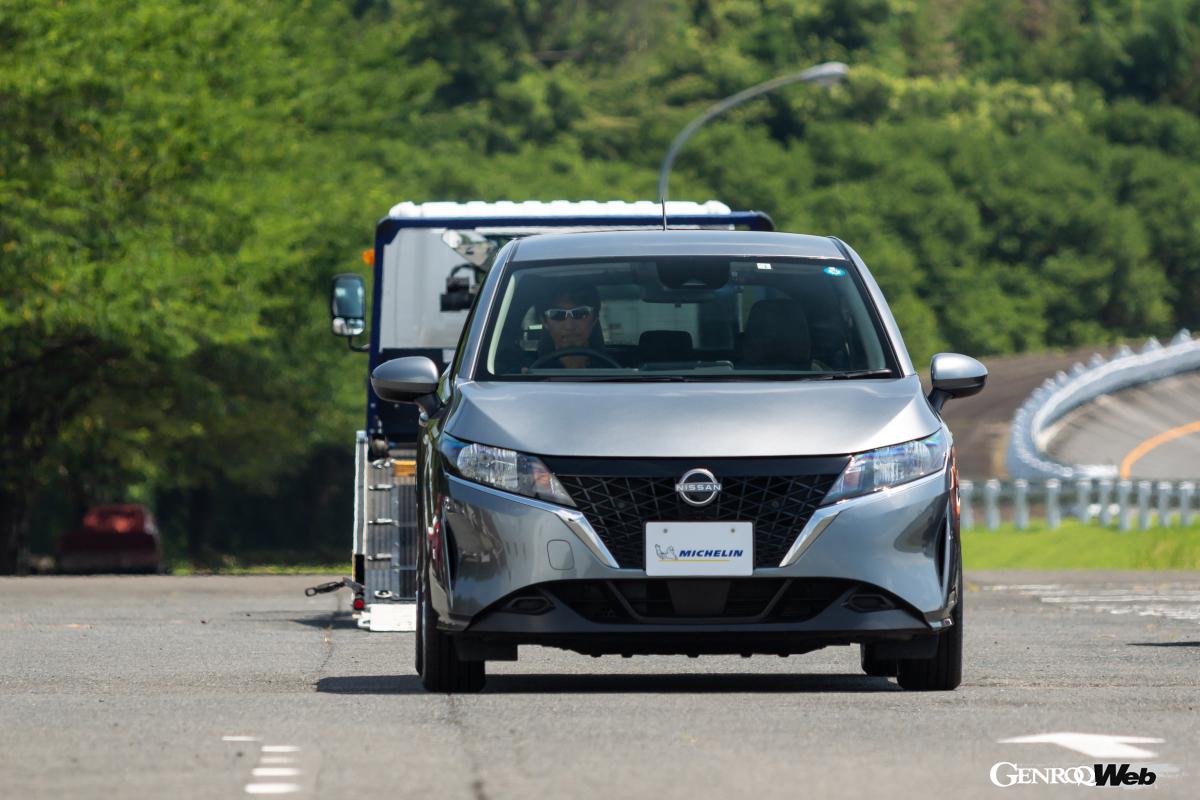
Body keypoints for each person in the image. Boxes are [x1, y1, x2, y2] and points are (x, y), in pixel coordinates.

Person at [535, 284, 604, 369]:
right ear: (544, 321)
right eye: (557, 314)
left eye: (580, 313)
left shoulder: (619, 373)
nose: (569, 326)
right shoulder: (527, 375)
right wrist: (527, 380)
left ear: (595, 319)